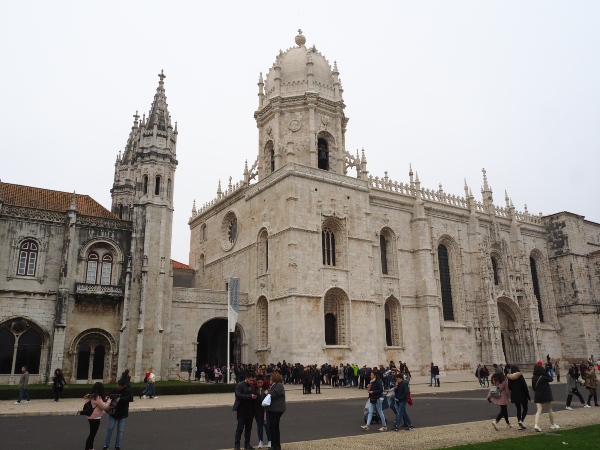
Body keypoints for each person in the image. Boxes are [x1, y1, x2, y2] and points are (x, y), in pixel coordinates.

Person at [102, 378, 134, 450]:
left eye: (119, 386)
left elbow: (131, 398)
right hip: (113, 412)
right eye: (117, 385)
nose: (118, 387)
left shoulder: (127, 391)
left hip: (122, 413)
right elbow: (108, 394)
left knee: (120, 431)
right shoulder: (115, 390)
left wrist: (121, 399)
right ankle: (106, 445)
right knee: (110, 429)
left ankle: (117, 445)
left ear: (123, 386)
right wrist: (109, 397)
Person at [532, 361, 559, 432]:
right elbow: (551, 378)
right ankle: (552, 424)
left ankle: (536, 425)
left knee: (538, 410)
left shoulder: (533, 378)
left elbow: (533, 388)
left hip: (538, 395)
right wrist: (545, 372)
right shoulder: (544, 377)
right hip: (546, 395)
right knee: (549, 409)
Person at [233, 371, 257, 450]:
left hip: (250, 411)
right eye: (250, 380)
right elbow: (238, 395)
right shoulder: (239, 385)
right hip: (242, 410)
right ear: (246, 378)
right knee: (239, 429)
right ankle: (237, 446)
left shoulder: (252, 387)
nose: (252, 382)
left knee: (248, 429)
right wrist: (250, 396)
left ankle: (247, 444)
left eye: (253, 380)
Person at [84, 382, 110, 450]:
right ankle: (87, 448)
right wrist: (109, 401)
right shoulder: (97, 397)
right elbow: (104, 407)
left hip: (90, 416)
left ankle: (90, 448)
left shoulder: (91, 395)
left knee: (92, 434)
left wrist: (104, 399)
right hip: (95, 417)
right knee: (92, 434)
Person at [266, 371, 286, 450]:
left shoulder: (279, 385)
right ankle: (275, 445)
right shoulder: (273, 385)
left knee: (274, 426)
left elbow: (273, 395)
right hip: (273, 409)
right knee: (273, 427)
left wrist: (267, 392)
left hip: (277, 409)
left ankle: (275, 445)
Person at [507, 365, 530, 429]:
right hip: (522, 394)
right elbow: (524, 386)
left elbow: (509, 387)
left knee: (518, 409)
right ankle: (521, 421)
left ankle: (520, 424)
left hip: (514, 395)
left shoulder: (510, 377)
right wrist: (528, 396)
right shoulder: (520, 376)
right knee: (525, 408)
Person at [253, 376, 271, 449]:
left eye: (261, 382)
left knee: (267, 426)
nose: (260, 384)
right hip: (258, 411)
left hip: (265, 411)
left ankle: (269, 440)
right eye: (258, 383)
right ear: (256, 383)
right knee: (259, 426)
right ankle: (260, 441)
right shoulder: (254, 390)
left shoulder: (266, 390)